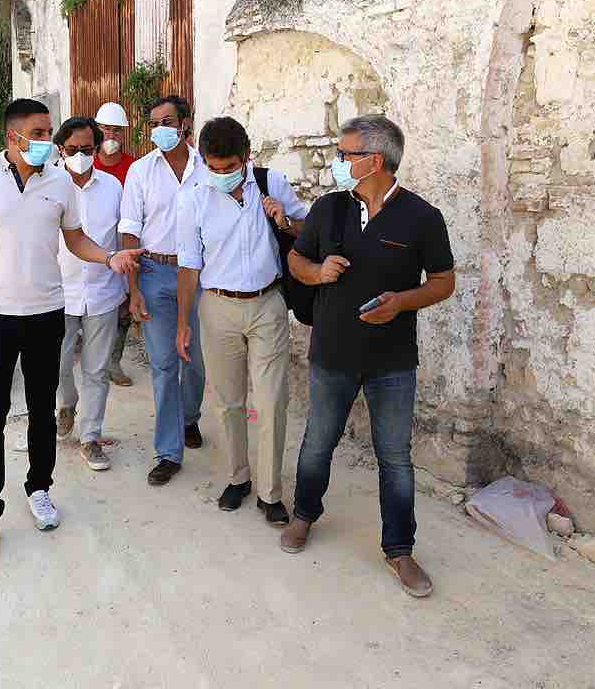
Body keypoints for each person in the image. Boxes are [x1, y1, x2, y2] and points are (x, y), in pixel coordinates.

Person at [0, 98, 143, 555]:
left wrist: (108, 257)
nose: (47, 140)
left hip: (46, 313)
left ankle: (39, 488)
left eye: (49, 132)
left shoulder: (59, 182)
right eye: (38, 132)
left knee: (41, 411)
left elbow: (75, 239)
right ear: (13, 136)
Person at [282, 114, 455, 598]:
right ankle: (304, 515)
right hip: (331, 353)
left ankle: (399, 549)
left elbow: (444, 281)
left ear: (374, 160)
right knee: (318, 442)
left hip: (392, 361)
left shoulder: (422, 217)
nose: (337, 161)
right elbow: (296, 259)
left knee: (395, 457)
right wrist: (317, 272)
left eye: (345, 154)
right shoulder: (329, 208)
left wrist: (401, 302)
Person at [176, 116, 309, 525]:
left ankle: (270, 493)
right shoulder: (193, 197)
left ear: (246, 157)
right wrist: (183, 323)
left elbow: (308, 231)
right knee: (228, 401)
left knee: (271, 401)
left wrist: (284, 220)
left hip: (267, 304)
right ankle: (238, 478)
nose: (220, 175)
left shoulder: (272, 184)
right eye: (212, 167)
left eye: (229, 167)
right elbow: (188, 266)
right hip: (217, 308)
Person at [119, 95, 206, 486]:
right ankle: (168, 451)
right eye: (154, 124)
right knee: (164, 364)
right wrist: (133, 288)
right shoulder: (140, 171)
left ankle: (189, 417)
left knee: (197, 360)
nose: (160, 130)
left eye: (167, 122)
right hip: (154, 272)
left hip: (200, 275)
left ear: (185, 123)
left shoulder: (207, 168)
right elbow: (129, 230)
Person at [52, 117, 125, 472]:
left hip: (103, 292)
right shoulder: (47, 185)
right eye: (72, 149)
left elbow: (123, 238)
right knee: (57, 365)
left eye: (86, 149)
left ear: (96, 149)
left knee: (97, 369)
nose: (79, 156)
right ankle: (66, 404)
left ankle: (90, 437)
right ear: (60, 149)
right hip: (57, 293)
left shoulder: (113, 187)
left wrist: (131, 289)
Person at [95, 103, 136, 387]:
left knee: (123, 308)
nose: (111, 135)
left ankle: (113, 361)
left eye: (116, 131)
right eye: (106, 130)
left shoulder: (134, 167)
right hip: (91, 249)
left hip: (122, 247)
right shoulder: (84, 164)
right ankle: (92, 359)